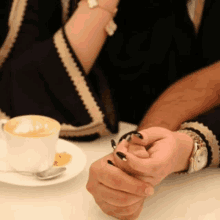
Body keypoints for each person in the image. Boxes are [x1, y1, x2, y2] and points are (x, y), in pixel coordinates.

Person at [0, 0, 220, 219]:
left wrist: (183, 146)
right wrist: (99, 6)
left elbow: (208, 82)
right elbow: (22, 100)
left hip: (193, 191)